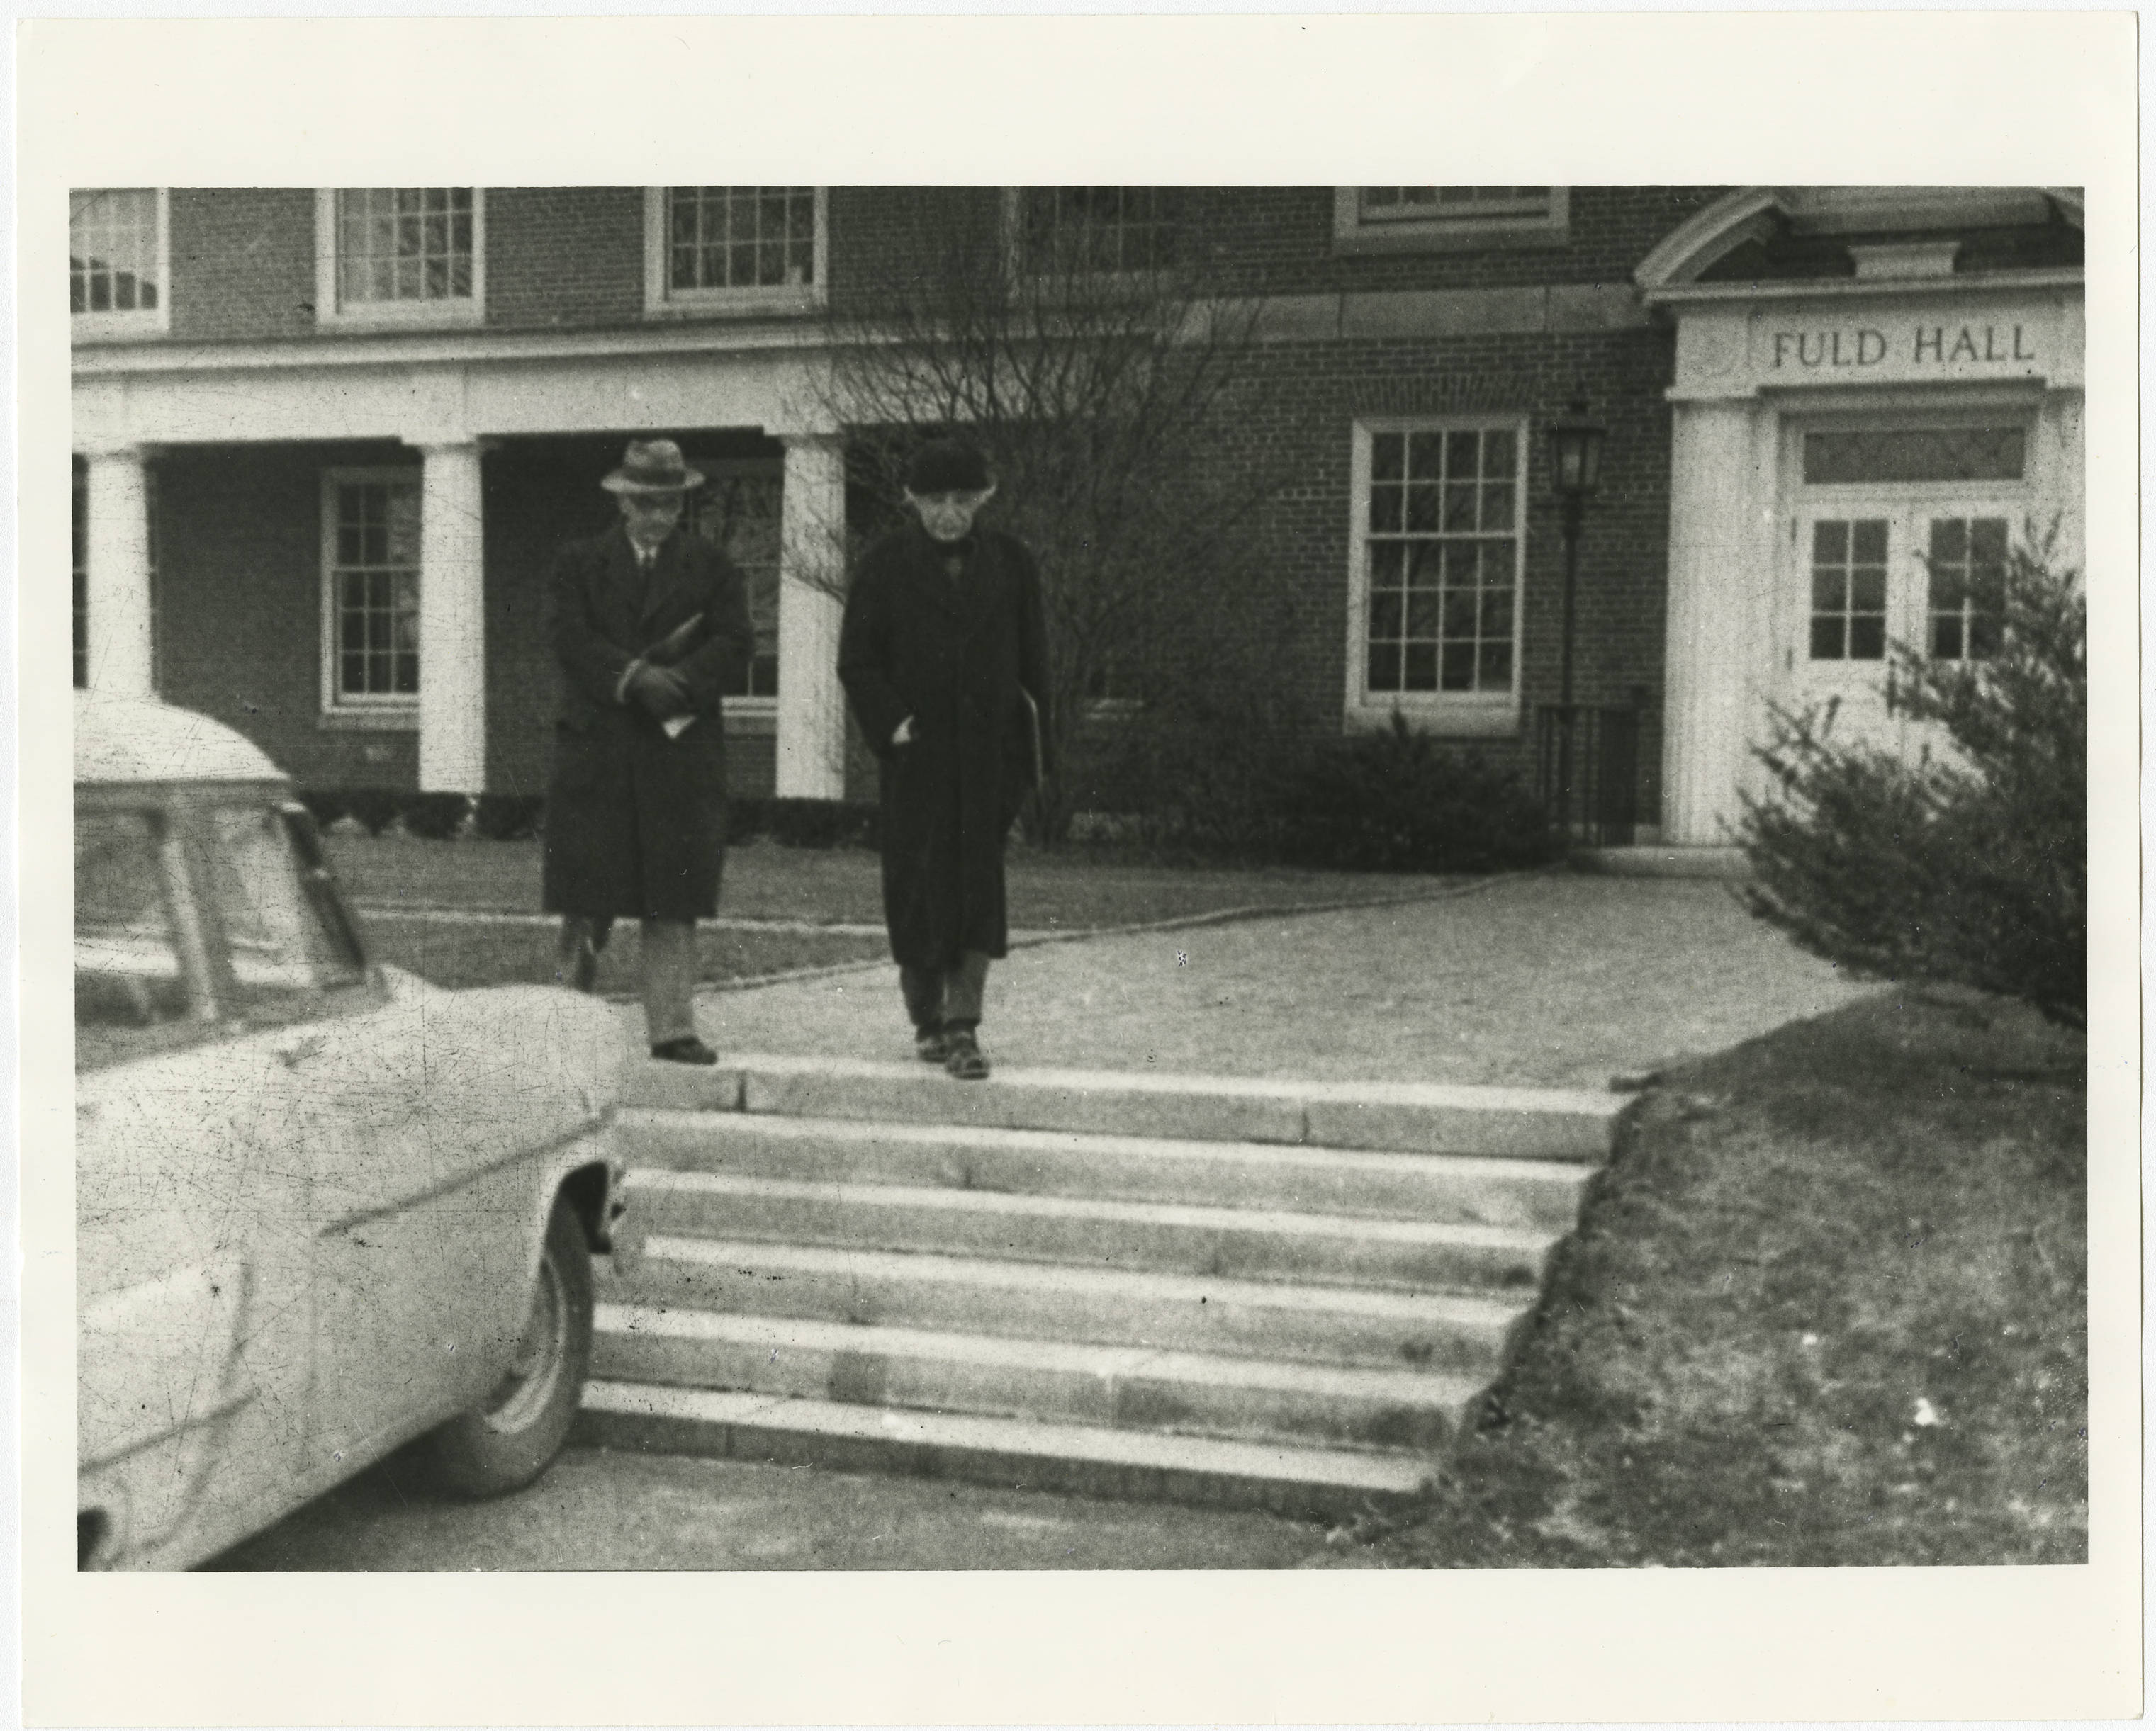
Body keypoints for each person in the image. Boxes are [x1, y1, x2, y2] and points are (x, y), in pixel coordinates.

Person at [838, 438, 1051, 1081]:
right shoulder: (884, 565)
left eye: (963, 500)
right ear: (913, 501)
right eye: (936, 501)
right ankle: (926, 1016)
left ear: (983, 500)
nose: (950, 513)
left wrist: (1030, 756)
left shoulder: (1011, 563)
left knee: (976, 888)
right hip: (917, 756)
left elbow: (1035, 664)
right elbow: (857, 661)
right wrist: (894, 725)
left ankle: (964, 1026)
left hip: (988, 757)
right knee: (917, 888)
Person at [542, 438, 755, 1064]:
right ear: (623, 502)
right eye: (645, 503)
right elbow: (568, 637)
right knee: (586, 897)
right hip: (597, 752)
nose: (658, 515)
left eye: (669, 503)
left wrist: (679, 683)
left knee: (674, 892)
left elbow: (736, 642)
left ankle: (672, 1027)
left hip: (678, 753)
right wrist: (634, 677)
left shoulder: (712, 566)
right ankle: (566, 1021)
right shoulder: (578, 563)